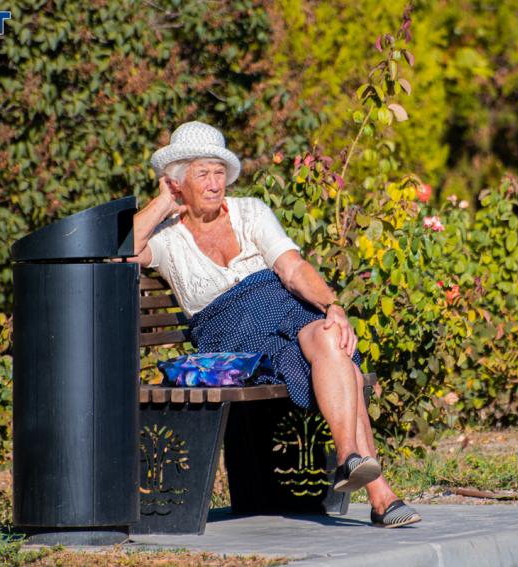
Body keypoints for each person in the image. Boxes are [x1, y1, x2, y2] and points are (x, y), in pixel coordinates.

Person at [128, 121, 421, 528]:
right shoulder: (167, 236)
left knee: (330, 336)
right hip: (228, 334)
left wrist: (333, 306)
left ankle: (349, 457)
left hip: (280, 307)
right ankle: (380, 495)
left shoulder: (251, 211)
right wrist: (162, 202)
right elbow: (122, 255)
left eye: (219, 173)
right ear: (178, 182)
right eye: (202, 174)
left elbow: (291, 268)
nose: (215, 184)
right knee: (342, 369)